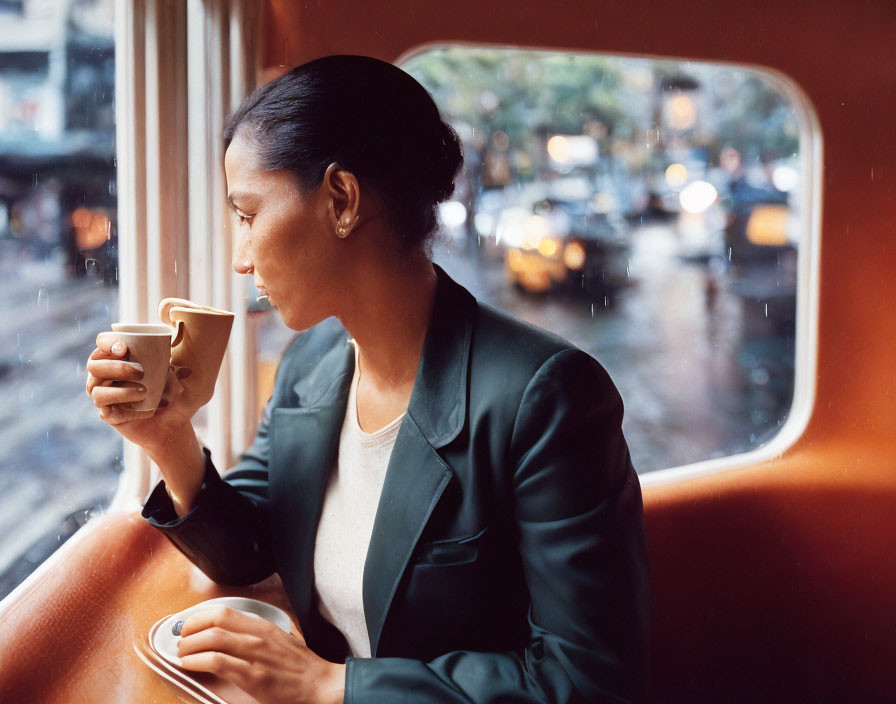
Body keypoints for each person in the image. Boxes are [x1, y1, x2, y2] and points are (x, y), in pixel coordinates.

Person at [86, 55, 650, 704]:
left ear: (342, 201)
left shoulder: (546, 397)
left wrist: (331, 686)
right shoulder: (311, 363)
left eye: (247, 215)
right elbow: (248, 548)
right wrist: (167, 436)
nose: (240, 259)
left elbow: (591, 681)